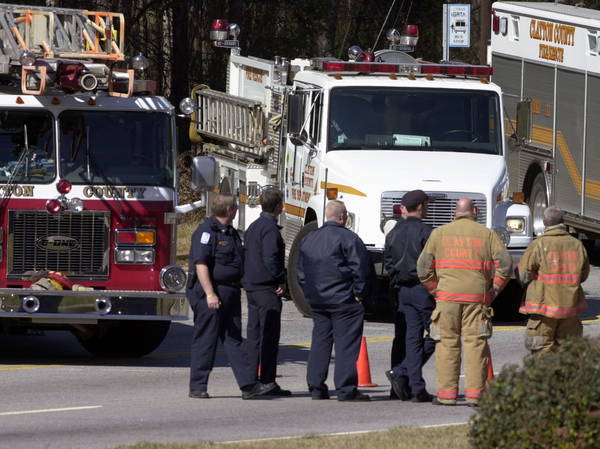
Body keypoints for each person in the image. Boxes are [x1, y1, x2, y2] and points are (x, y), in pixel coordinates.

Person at [417, 198, 512, 407]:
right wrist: (494, 290)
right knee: (476, 345)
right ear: (475, 212)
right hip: (477, 300)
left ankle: (446, 395)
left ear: (454, 213)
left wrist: (435, 291)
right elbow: (505, 265)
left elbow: (423, 268)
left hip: (447, 299)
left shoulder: (439, 234)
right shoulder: (487, 235)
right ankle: (475, 396)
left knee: (446, 345)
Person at [187, 194, 276, 399]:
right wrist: (210, 294)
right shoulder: (206, 232)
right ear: (229, 211)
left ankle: (248, 385)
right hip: (211, 293)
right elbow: (201, 265)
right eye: (235, 208)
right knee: (206, 339)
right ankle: (198, 386)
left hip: (230, 292)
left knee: (234, 339)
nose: (236, 211)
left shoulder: (231, 233)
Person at [298, 200, 374, 401]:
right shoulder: (349, 238)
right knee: (346, 345)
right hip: (343, 299)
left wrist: (310, 294)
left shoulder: (309, 238)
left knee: (320, 342)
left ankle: (315, 386)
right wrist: (360, 293)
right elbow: (361, 269)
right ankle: (346, 388)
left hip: (318, 300)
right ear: (343, 216)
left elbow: (301, 272)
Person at [384, 190, 435, 402]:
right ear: (421, 206)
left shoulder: (393, 232)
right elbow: (433, 262)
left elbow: (388, 261)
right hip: (423, 289)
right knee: (437, 334)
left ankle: (415, 387)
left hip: (402, 290)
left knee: (411, 339)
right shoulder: (427, 232)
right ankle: (403, 373)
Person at [518, 205, 589, 355]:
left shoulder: (538, 244)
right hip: (570, 309)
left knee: (542, 352)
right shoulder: (577, 245)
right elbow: (583, 275)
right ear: (563, 222)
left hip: (544, 311)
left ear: (544, 222)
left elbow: (523, 274)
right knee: (568, 354)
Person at [242, 187, 291, 396]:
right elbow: (271, 257)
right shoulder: (270, 230)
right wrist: (280, 279)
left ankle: (251, 381)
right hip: (265, 288)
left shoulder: (253, 227)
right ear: (279, 206)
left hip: (252, 287)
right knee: (269, 337)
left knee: (254, 336)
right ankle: (267, 381)